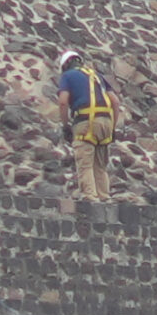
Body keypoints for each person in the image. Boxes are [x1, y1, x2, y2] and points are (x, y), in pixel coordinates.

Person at [55, 49, 118, 201]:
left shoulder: (68, 76)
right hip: (106, 123)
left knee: (85, 163)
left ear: (65, 65)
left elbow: (63, 102)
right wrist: (112, 128)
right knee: (100, 165)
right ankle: (104, 197)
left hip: (86, 122)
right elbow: (115, 102)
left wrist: (65, 126)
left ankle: (89, 197)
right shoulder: (97, 76)